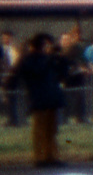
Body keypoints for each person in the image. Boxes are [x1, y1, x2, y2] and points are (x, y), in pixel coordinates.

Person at [9, 33, 69, 167]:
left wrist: (8, 86)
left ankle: (41, 157)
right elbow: (62, 73)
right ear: (43, 46)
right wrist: (59, 56)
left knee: (41, 130)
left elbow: (15, 76)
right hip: (51, 98)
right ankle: (51, 156)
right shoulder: (48, 59)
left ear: (31, 46)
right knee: (50, 130)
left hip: (39, 99)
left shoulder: (26, 60)